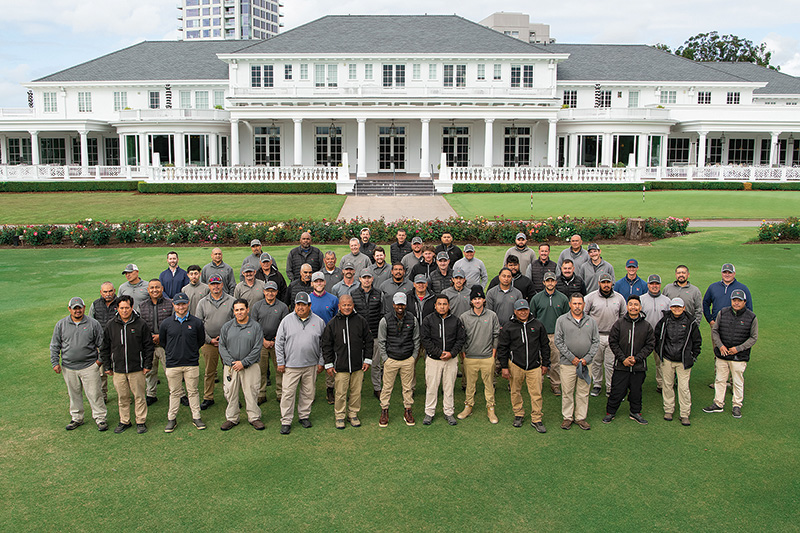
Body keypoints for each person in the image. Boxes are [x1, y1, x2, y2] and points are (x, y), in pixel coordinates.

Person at [50, 297, 107, 431]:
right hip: (69, 367)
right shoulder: (61, 324)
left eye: (79, 308)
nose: (77, 311)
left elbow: (102, 344)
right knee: (73, 393)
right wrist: (55, 362)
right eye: (74, 308)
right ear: (69, 309)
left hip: (89, 366)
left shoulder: (93, 324)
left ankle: (100, 418)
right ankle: (77, 418)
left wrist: (98, 362)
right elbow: (55, 345)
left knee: (94, 393)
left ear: (84, 308)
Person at [100, 295, 154, 434]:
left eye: (127, 308)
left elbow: (148, 346)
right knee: (123, 397)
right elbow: (105, 347)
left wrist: (147, 364)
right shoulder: (111, 325)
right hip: (118, 369)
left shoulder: (140, 324)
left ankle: (141, 421)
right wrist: (107, 366)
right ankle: (125, 421)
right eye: (122, 308)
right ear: (117, 308)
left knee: (139, 396)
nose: (124, 311)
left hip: (136, 368)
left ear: (131, 308)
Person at [275, 292, 326, 434]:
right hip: (291, 365)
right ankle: (286, 420)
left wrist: (321, 361)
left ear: (310, 306)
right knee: (288, 394)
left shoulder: (319, 321)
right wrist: (281, 362)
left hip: (311, 365)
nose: (300, 307)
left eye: (304, 305)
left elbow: (324, 344)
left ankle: (304, 416)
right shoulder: (286, 321)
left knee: (308, 392)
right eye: (298, 304)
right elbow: (279, 343)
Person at [703, 290, 757, 419]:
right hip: (722, 354)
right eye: (734, 300)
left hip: (739, 357)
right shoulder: (723, 312)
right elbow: (715, 331)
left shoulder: (751, 317)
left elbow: (753, 337)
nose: (736, 303)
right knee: (720, 379)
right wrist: (720, 346)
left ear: (744, 302)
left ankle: (736, 405)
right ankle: (718, 403)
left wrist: (738, 349)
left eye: (739, 301)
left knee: (737, 381)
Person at [322, 295, 374, 429]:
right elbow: (326, 345)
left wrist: (367, 359)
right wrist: (329, 363)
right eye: (344, 305)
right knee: (340, 393)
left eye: (349, 305)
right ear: (339, 306)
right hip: (340, 366)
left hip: (358, 365)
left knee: (356, 392)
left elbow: (369, 341)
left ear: (353, 305)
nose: (347, 307)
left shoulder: (361, 321)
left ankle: (353, 414)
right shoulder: (333, 323)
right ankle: (340, 416)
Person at [498, 299, 550, 432]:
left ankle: (537, 418)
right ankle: (518, 414)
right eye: (520, 310)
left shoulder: (537, 325)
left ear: (529, 310)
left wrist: (545, 363)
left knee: (536, 393)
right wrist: (504, 367)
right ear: (515, 311)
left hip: (534, 365)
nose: (523, 312)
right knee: (515, 391)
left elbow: (545, 345)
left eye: (525, 310)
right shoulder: (509, 326)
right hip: (516, 364)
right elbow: (503, 348)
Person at [602, 296, 655, 425]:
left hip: (638, 366)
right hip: (621, 365)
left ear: (640, 307)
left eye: (636, 305)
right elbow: (613, 342)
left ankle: (635, 412)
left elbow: (650, 345)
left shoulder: (646, 326)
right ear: (627, 307)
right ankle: (610, 412)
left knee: (636, 391)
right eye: (630, 304)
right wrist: (623, 358)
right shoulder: (619, 323)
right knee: (617, 390)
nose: (633, 307)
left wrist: (636, 359)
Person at [159, 292, 206, 432]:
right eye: (178, 304)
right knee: (174, 392)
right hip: (173, 364)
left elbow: (200, 341)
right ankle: (171, 419)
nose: (181, 307)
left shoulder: (196, 322)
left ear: (188, 304)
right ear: (173, 305)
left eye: (183, 304)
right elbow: (163, 342)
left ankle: (196, 417)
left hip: (191, 363)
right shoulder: (166, 323)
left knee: (193, 391)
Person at [554, 293, 599, 431]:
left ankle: (580, 417)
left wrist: (587, 358)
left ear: (584, 305)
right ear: (570, 304)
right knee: (567, 391)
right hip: (568, 364)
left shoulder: (591, 321)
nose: (577, 306)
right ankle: (567, 417)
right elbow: (558, 341)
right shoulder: (562, 320)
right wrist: (572, 358)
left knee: (583, 391)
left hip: (586, 364)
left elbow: (596, 341)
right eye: (575, 303)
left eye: (580, 304)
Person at [654, 297, 702, 426]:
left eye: (679, 307)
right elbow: (657, 337)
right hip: (668, 359)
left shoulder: (691, 322)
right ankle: (668, 410)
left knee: (683, 388)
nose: (676, 309)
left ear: (684, 308)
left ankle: (684, 413)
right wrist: (661, 353)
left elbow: (697, 341)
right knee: (667, 385)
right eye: (674, 307)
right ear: (670, 308)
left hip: (683, 361)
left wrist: (692, 356)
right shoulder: (665, 320)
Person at [218, 299, 264, 431]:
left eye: (242, 309)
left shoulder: (255, 327)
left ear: (247, 310)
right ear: (234, 311)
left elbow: (257, 348)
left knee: (252, 391)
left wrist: (243, 363)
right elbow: (222, 346)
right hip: (231, 367)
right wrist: (232, 362)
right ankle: (232, 418)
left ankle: (254, 417)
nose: (239, 312)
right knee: (230, 392)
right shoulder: (227, 327)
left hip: (250, 366)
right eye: (237, 310)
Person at [421, 295, 466, 426]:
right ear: (435, 306)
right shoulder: (428, 320)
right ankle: (429, 412)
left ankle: (449, 412)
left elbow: (460, 339)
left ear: (449, 306)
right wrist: (439, 353)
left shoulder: (456, 321)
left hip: (451, 360)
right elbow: (426, 339)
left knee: (449, 387)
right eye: (439, 304)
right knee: (432, 387)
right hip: (434, 360)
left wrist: (451, 353)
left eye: (444, 304)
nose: (442, 306)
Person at [458, 285, 500, 423]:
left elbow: (496, 336)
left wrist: (493, 355)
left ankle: (491, 409)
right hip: (470, 357)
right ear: (471, 301)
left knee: (489, 385)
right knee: (470, 385)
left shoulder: (492, 316)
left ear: (484, 300)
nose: (477, 301)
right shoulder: (464, 317)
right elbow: (461, 337)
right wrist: (464, 355)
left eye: (479, 298)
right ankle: (468, 406)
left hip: (487, 357)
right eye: (474, 299)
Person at [377, 292, 420, 428]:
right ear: (393, 305)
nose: (400, 307)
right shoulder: (385, 320)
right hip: (391, 359)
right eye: (397, 304)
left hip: (407, 359)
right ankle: (384, 411)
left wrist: (413, 357)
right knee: (387, 388)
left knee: (407, 388)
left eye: (402, 304)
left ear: (405, 304)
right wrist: (385, 359)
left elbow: (416, 339)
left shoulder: (412, 319)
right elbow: (381, 341)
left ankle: (408, 410)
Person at [195, 276, 235, 410]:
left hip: (228, 343)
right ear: (209, 286)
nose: (215, 287)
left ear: (222, 285)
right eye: (213, 285)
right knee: (209, 371)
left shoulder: (231, 300)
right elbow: (199, 324)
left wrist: (225, 339)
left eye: (218, 284)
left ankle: (231, 397)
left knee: (230, 371)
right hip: (209, 343)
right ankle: (208, 397)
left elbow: (236, 322)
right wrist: (209, 340)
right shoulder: (202, 302)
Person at [584, 273, 626, 397]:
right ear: (599, 283)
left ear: (612, 283)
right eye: (603, 282)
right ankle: (597, 384)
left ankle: (610, 386)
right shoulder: (591, 297)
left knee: (610, 363)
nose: (606, 285)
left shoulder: (619, 298)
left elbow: (623, 316)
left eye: (608, 282)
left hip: (613, 336)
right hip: (596, 335)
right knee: (596, 362)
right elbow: (585, 314)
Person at [530, 271, 569, 396]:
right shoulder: (537, 298)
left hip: (556, 335)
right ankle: (538, 384)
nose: (550, 283)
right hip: (540, 335)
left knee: (555, 361)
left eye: (552, 280)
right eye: (548, 281)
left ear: (556, 282)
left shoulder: (562, 298)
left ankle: (555, 384)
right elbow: (532, 317)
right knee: (539, 361)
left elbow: (566, 318)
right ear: (544, 283)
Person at [251, 281, 289, 405]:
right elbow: (254, 326)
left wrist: (276, 340)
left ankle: (280, 393)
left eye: (273, 291)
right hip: (261, 343)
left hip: (277, 344)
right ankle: (261, 394)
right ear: (264, 292)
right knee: (260, 370)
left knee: (279, 369)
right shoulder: (257, 306)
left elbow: (285, 326)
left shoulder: (283, 307)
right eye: (268, 291)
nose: (270, 293)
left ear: (277, 292)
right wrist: (263, 341)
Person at [138, 279, 173, 405]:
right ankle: (151, 394)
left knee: (170, 371)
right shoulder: (142, 306)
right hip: (149, 345)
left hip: (166, 344)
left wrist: (160, 336)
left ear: (162, 289)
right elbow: (140, 326)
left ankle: (177, 394)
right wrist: (151, 337)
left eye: (157, 287)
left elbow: (173, 325)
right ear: (148, 290)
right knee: (150, 371)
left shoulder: (170, 304)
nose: (154, 290)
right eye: (152, 288)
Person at [351, 269, 384, 399]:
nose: (366, 280)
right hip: (359, 336)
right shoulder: (353, 294)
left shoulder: (378, 293)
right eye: (364, 277)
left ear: (372, 279)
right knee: (358, 365)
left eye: (369, 278)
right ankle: (356, 390)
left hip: (375, 334)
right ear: (359, 279)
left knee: (376, 364)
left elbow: (382, 313)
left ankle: (377, 388)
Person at [310, 271, 339, 404]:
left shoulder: (333, 299)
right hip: (311, 336)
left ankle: (330, 390)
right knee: (312, 365)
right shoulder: (308, 299)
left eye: (321, 281)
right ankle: (309, 392)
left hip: (329, 337)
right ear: (312, 284)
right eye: (316, 281)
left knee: (329, 363)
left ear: (325, 282)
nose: (319, 283)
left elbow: (337, 318)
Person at [88, 281, 119, 403]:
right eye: (105, 292)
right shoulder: (95, 304)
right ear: (101, 292)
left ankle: (124, 395)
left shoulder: (120, 303)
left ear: (114, 291)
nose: (108, 294)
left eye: (110, 291)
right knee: (101, 374)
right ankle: (103, 396)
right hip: (101, 344)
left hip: (117, 343)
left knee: (119, 372)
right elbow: (90, 324)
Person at [640, 274, 671, 393]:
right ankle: (637, 382)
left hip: (661, 336)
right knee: (640, 360)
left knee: (661, 362)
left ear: (660, 285)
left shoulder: (667, 300)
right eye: (652, 284)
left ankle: (661, 384)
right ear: (648, 285)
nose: (654, 286)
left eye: (656, 284)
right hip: (644, 336)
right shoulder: (641, 299)